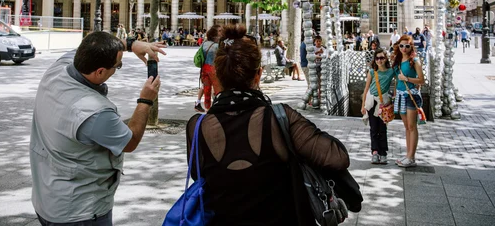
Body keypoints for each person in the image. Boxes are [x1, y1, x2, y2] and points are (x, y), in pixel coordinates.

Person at [185, 24, 362, 225]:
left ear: (217, 75)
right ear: (258, 75)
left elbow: (197, 174)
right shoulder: (279, 118)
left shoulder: (197, 127)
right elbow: (338, 157)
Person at [30, 32, 166, 225]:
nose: (117, 68)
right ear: (100, 72)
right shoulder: (94, 111)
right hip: (80, 211)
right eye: (117, 66)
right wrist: (145, 101)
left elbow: (94, 46)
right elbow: (130, 141)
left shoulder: (58, 69)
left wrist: (131, 44)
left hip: (47, 199)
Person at [392, 35, 425, 168]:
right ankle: (408, 155)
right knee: (406, 127)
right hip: (400, 95)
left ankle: (411, 157)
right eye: (401, 46)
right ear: (398, 46)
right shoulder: (398, 60)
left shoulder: (414, 61)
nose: (404, 48)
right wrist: (395, 92)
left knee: (412, 126)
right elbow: (396, 79)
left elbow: (421, 80)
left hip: (410, 95)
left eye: (407, 46)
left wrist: (407, 79)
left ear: (411, 47)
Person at [361, 48, 395, 165]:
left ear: (386, 59)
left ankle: (383, 152)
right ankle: (375, 151)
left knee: (382, 129)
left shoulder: (391, 71)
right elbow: (366, 89)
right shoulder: (372, 72)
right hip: (371, 102)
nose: (379, 60)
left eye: (381, 58)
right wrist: (363, 105)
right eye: (377, 58)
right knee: (374, 128)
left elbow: (399, 75)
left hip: (383, 102)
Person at [195, 25, 222, 112]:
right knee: (217, 88)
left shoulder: (204, 44)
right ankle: (217, 107)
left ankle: (207, 108)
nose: (221, 33)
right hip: (213, 69)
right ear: (215, 34)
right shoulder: (217, 46)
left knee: (206, 88)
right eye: (220, 31)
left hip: (204, 69)